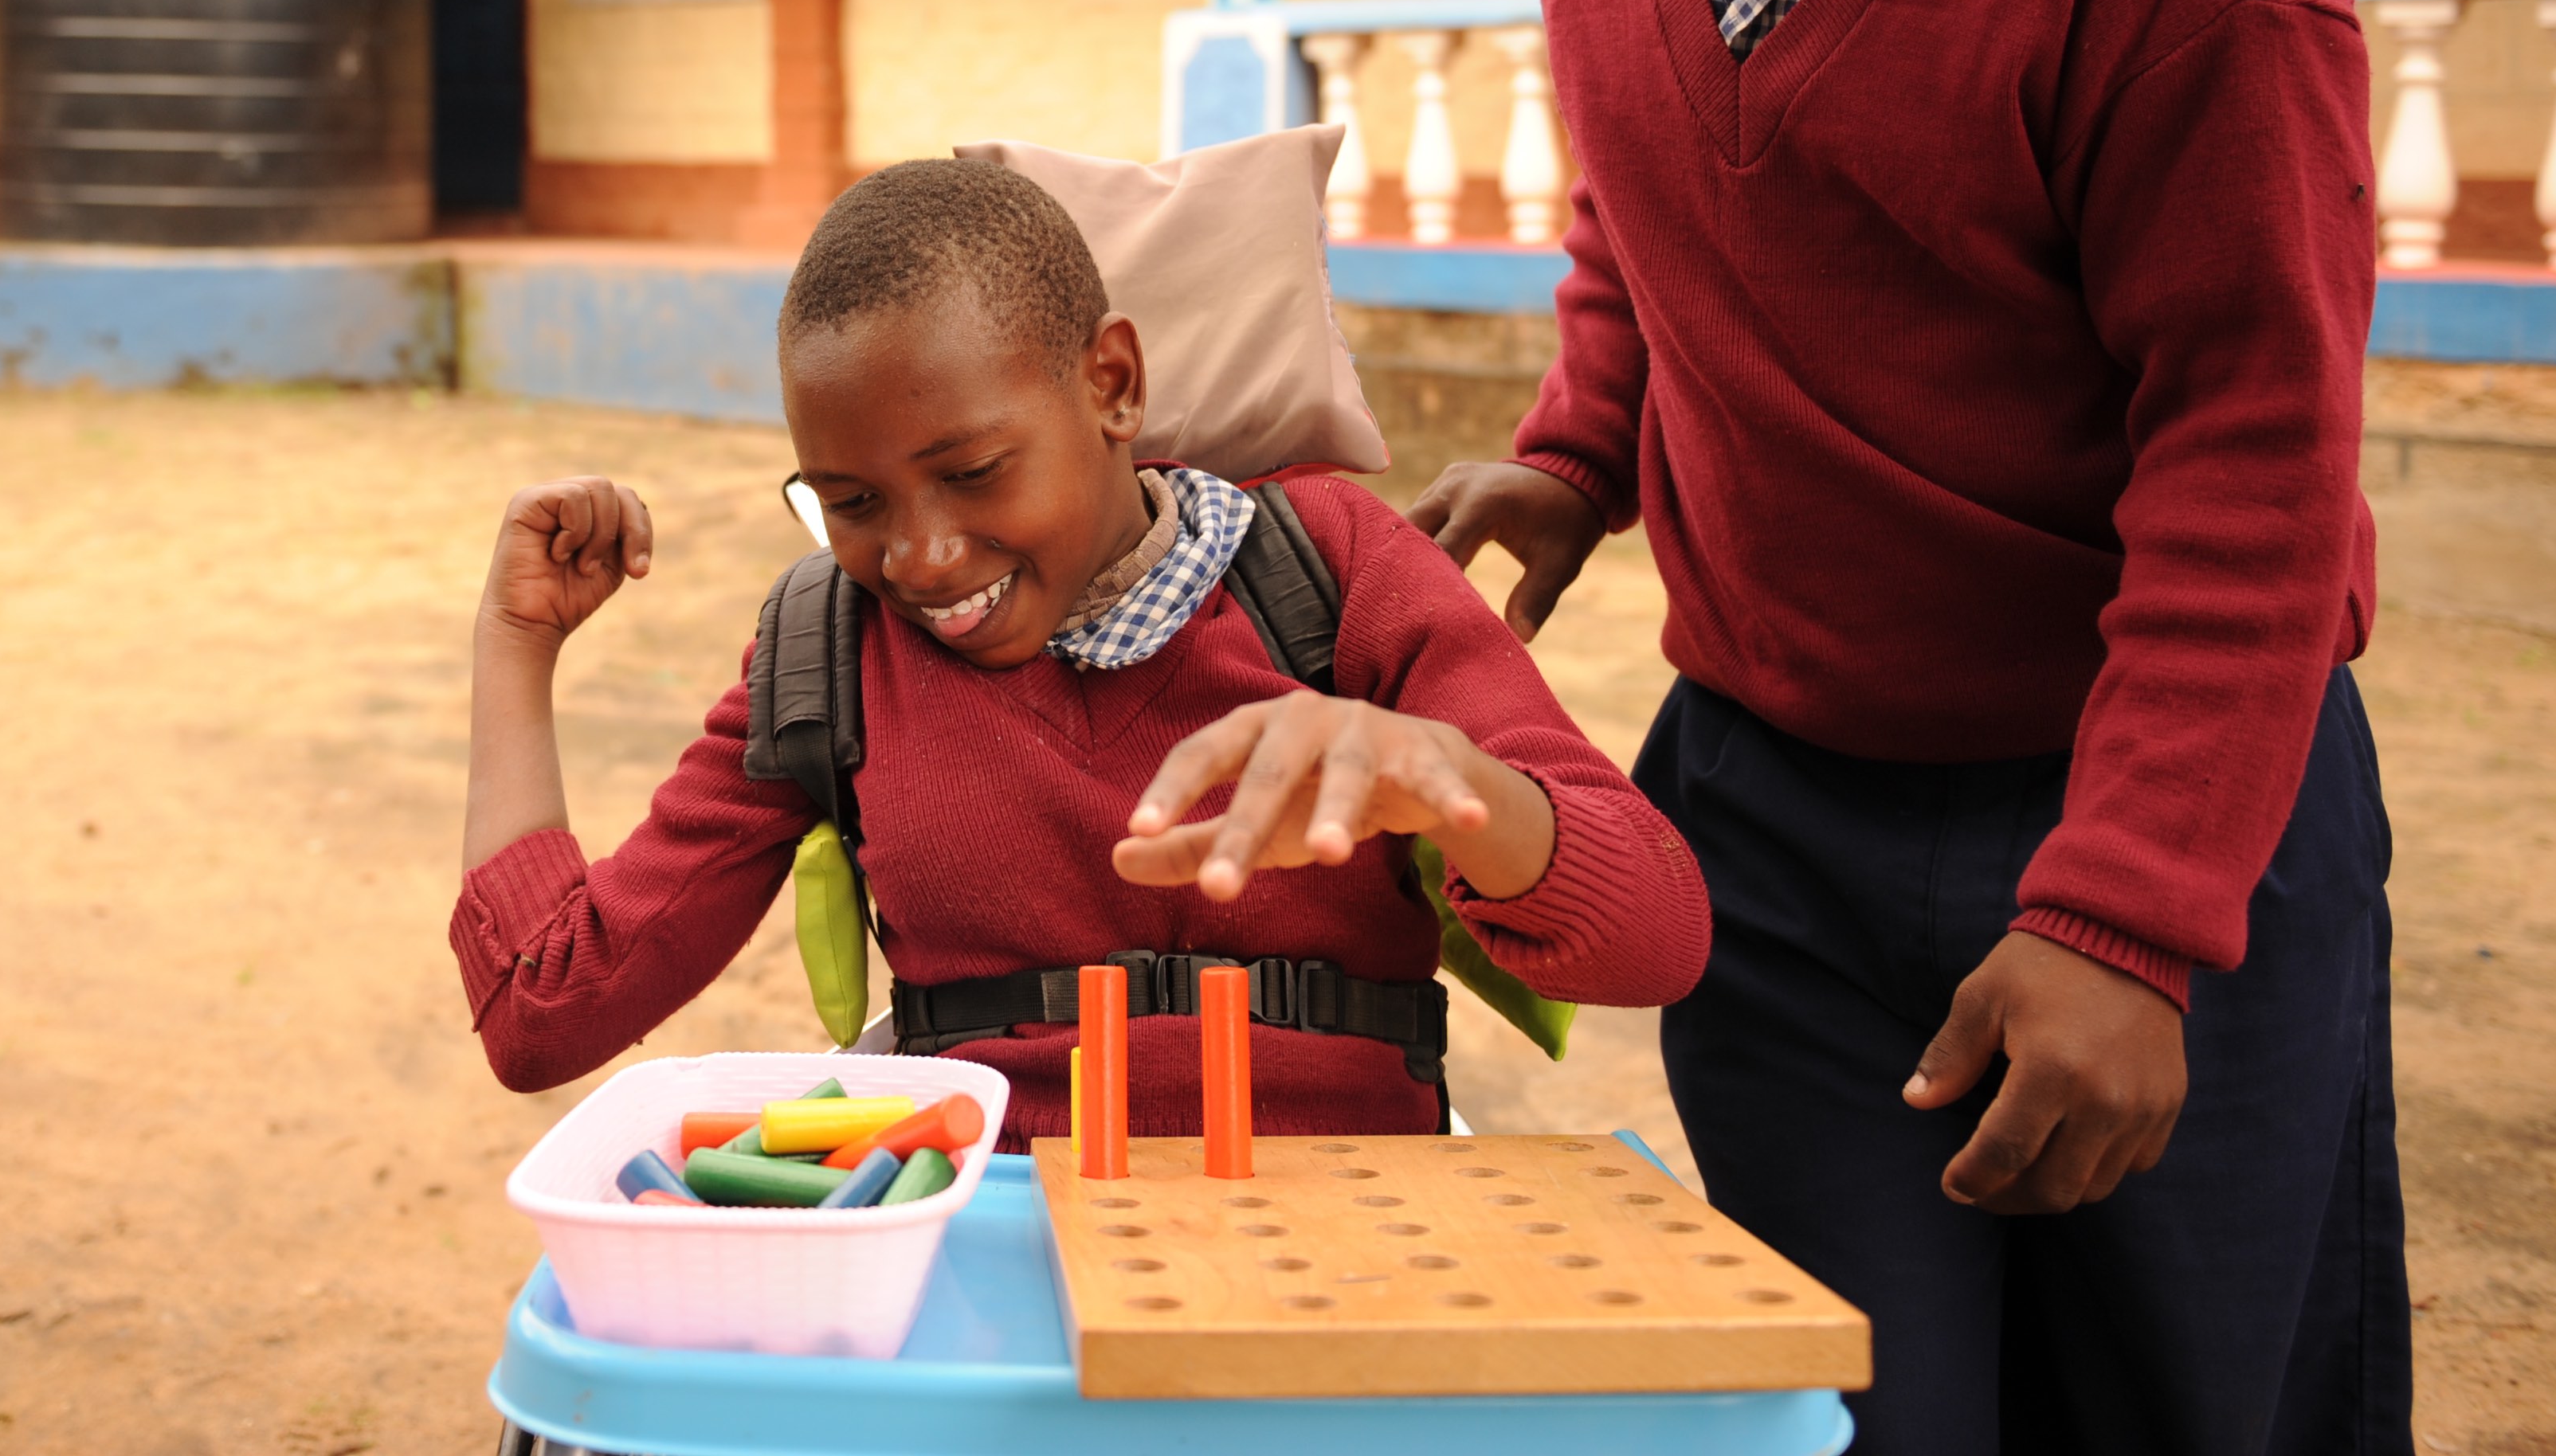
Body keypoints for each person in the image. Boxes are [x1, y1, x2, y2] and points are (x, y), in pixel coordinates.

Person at [1412, 0, 2399, 1455]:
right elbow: (1643, 212)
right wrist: (1580, 447)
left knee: (2185, 1409)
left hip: (2151, 797)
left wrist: (2130, 922)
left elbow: (2254, 456)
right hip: (1771, 823)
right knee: (1855, 1415)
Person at [452, 156, 1708, 1138]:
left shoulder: (1334, 575)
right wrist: (516, 643)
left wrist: (1446, 783)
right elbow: (540, 1012)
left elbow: (1659, 935)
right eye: (853, 503)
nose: (922, 557)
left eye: (973, 472)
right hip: (993, 1260)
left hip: (1346, 1253)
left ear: (1112, 384)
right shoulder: (828, 656)